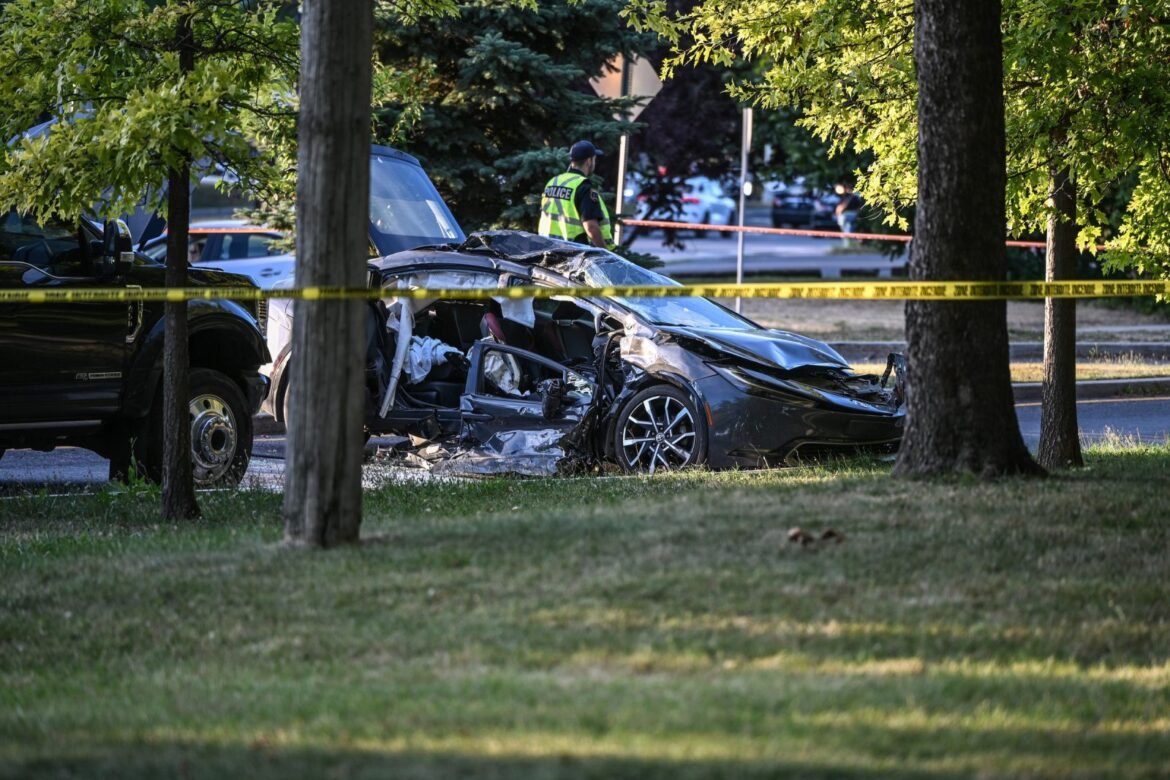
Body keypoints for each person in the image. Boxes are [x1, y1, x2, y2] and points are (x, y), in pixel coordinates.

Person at [538, 140, 613, 249]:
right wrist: (605, 253)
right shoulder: (583, 187)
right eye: (594, 159)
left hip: (548, 249)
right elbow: (591, 227)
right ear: (589, 161)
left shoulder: (553, 182)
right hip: (573, 254)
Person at [834, 182, 863, 246]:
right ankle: (848, 244)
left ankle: (847, 244)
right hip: (851, 214)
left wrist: (838, 213)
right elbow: (859, 207)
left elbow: (840, 206)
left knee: (846, 230)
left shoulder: (848, 196)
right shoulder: (854, 196)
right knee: (848, 229)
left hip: (847, 214)